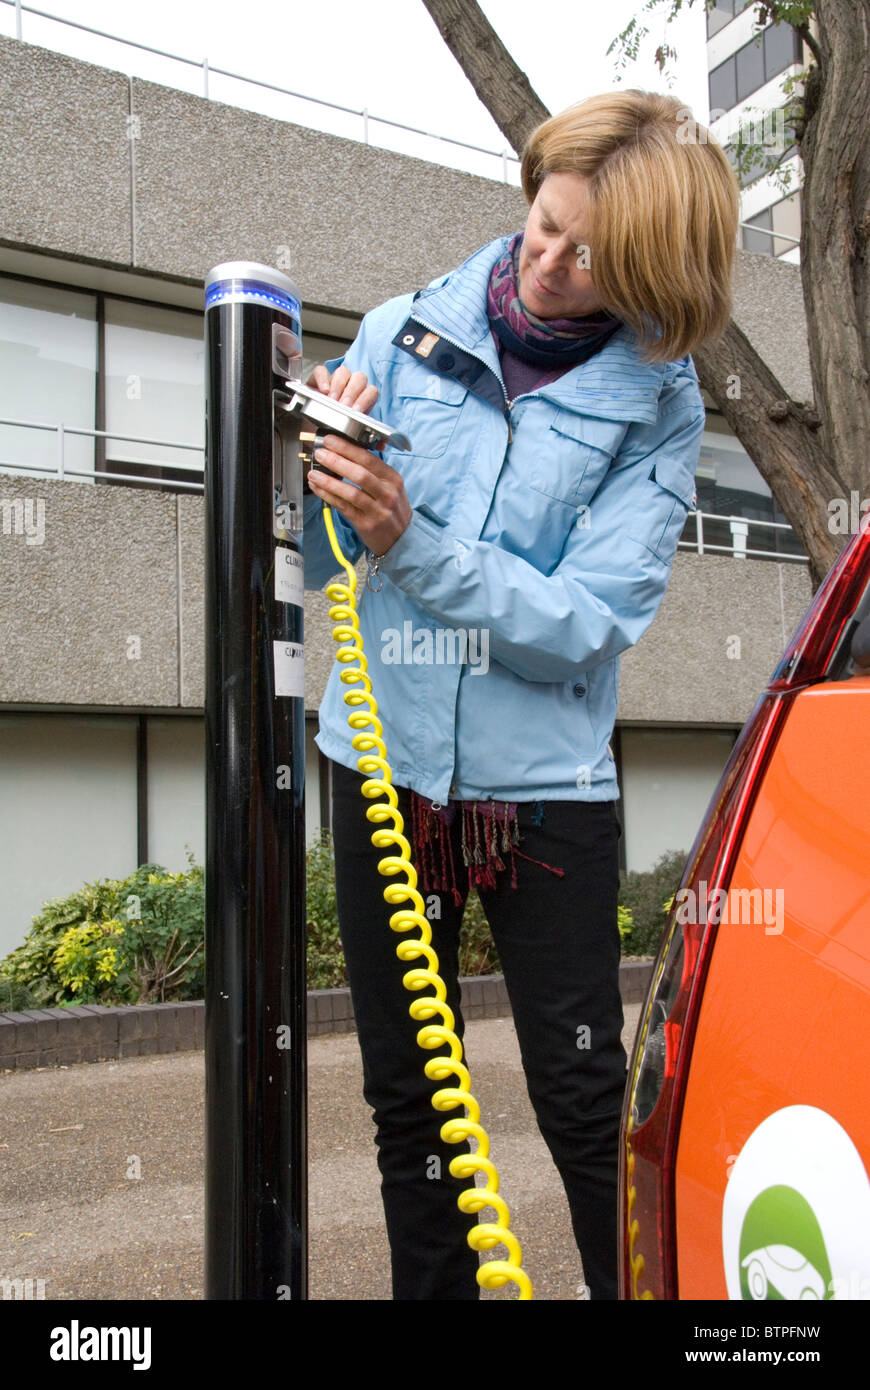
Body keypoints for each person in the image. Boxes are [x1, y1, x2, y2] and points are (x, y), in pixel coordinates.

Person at [300, 89, 739, 1299]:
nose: (548, 263)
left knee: (586, 1097)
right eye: (544, 223)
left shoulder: (662, 399)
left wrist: (412, 540)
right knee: (413, 1107)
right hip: (380, 765)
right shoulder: (401, 328)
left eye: (590, 252)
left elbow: (589, 623)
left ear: (649, 266)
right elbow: (319, 551)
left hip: (545, 793)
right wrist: (323, 466)